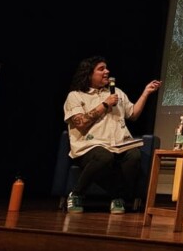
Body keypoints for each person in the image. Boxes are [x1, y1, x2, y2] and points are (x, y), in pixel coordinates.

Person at [62, 56, 161, 214]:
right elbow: (80, 123)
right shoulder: (76, 96)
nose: (107, 71)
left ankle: (118, 198)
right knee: (104, 156)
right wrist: (105, 104)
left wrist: (146, 93)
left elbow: (133, 114)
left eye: (106, 68)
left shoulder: (117, 93)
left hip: (119, 145)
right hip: (89, 147)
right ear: (88, 74)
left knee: (134, 156)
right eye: (101, 69)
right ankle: (77, 193)